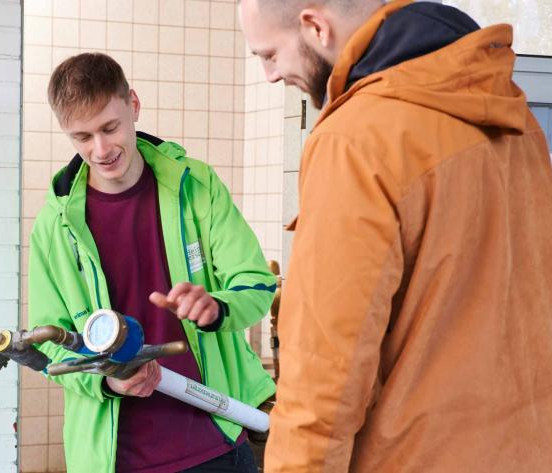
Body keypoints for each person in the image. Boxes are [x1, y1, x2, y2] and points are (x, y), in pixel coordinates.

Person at [237, 0, 552, 471]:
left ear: (315, 27)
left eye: (269, 55)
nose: (270, 75)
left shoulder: (356, 139)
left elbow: (325, 383)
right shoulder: (517, 119)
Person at [27, 52, 276, 473]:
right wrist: (105, 380)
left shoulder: (196, 187)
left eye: (110, 128)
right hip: (113, 459)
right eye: (82, 137)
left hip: (215, 442)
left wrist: (217, 308)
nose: (101, 150)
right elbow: (52, 343)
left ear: (134, 106)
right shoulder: (55, 225)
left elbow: (254, 282)